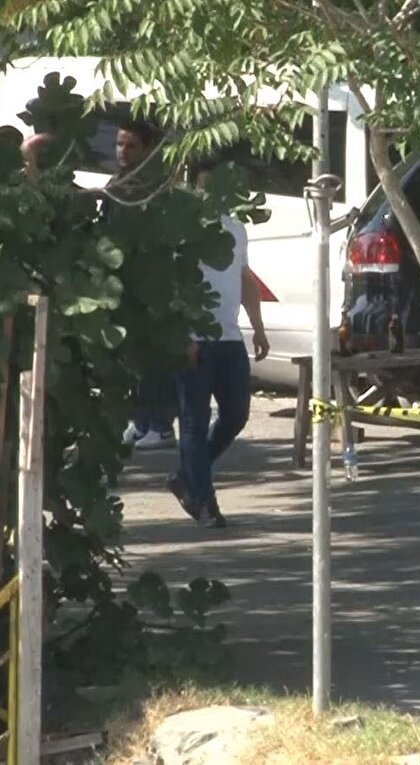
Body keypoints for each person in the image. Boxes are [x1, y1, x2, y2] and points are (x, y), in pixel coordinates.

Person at [167, 159, 270, 528]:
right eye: (205, 185)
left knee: (236, 414)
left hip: (230, 338)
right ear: (195, 187)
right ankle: (204, 501)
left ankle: (187, 475)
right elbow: (174, 286)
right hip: (196, 340)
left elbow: (244, 279)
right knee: (193, 422)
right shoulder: (183, 230)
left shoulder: (236, 229)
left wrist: (257, 327)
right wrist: (184, 336)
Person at [111, 119, 177, 450]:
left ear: (146, 149)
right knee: (133, 360)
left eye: (131, 145)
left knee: (154, 360)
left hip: (150, 284)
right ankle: (140, 422)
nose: (123, 151)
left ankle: (161, 425)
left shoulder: (152, 186)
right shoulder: (119, 182)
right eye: (119, 144)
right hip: (124, 285)